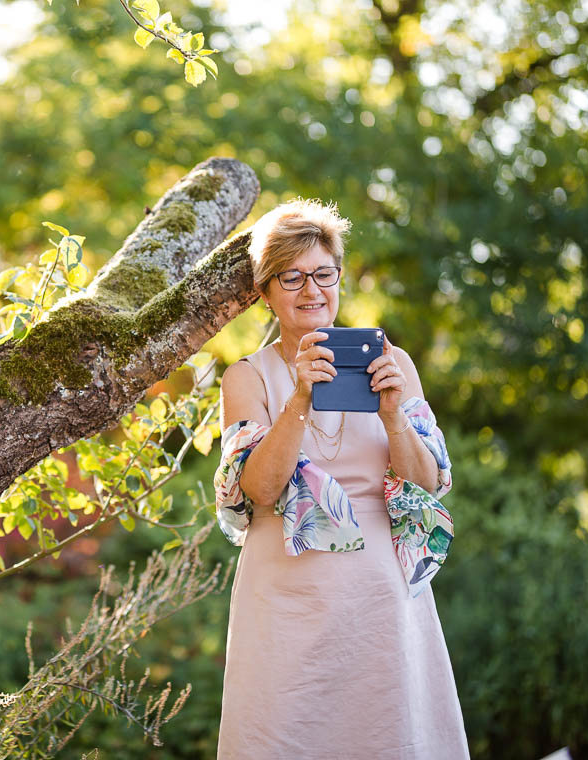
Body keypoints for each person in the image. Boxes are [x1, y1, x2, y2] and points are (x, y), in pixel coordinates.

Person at [213, 199, 471, 758]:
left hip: (381, 600)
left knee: (386, 736)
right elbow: (258, 489)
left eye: (324, 274)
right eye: (292, 277)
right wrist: (300, 398)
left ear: (339, 277)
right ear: (265, 292)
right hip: (284, 599)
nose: (312, 290)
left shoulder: (392, 363)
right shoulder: (246, 378)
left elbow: (425, 482)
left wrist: (394, 416)